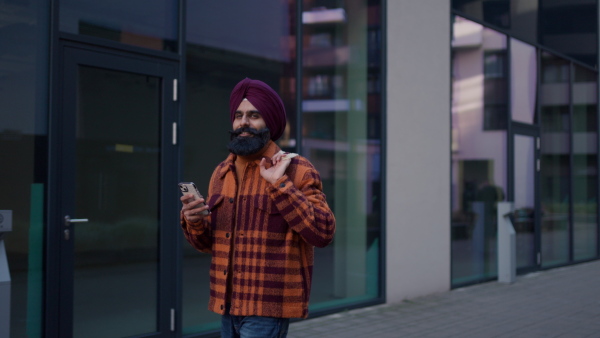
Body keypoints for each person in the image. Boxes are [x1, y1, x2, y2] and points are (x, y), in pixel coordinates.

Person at [180, 78, 336, 338]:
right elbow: (209, 244)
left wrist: (281, 186)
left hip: (267, 305)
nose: (244, 123)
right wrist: (194, 220)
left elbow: (323, 233)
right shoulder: (222, 172)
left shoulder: (297, 169)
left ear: (270, 123)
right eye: (238, 115)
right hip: (227, 304)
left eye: (254, 115)